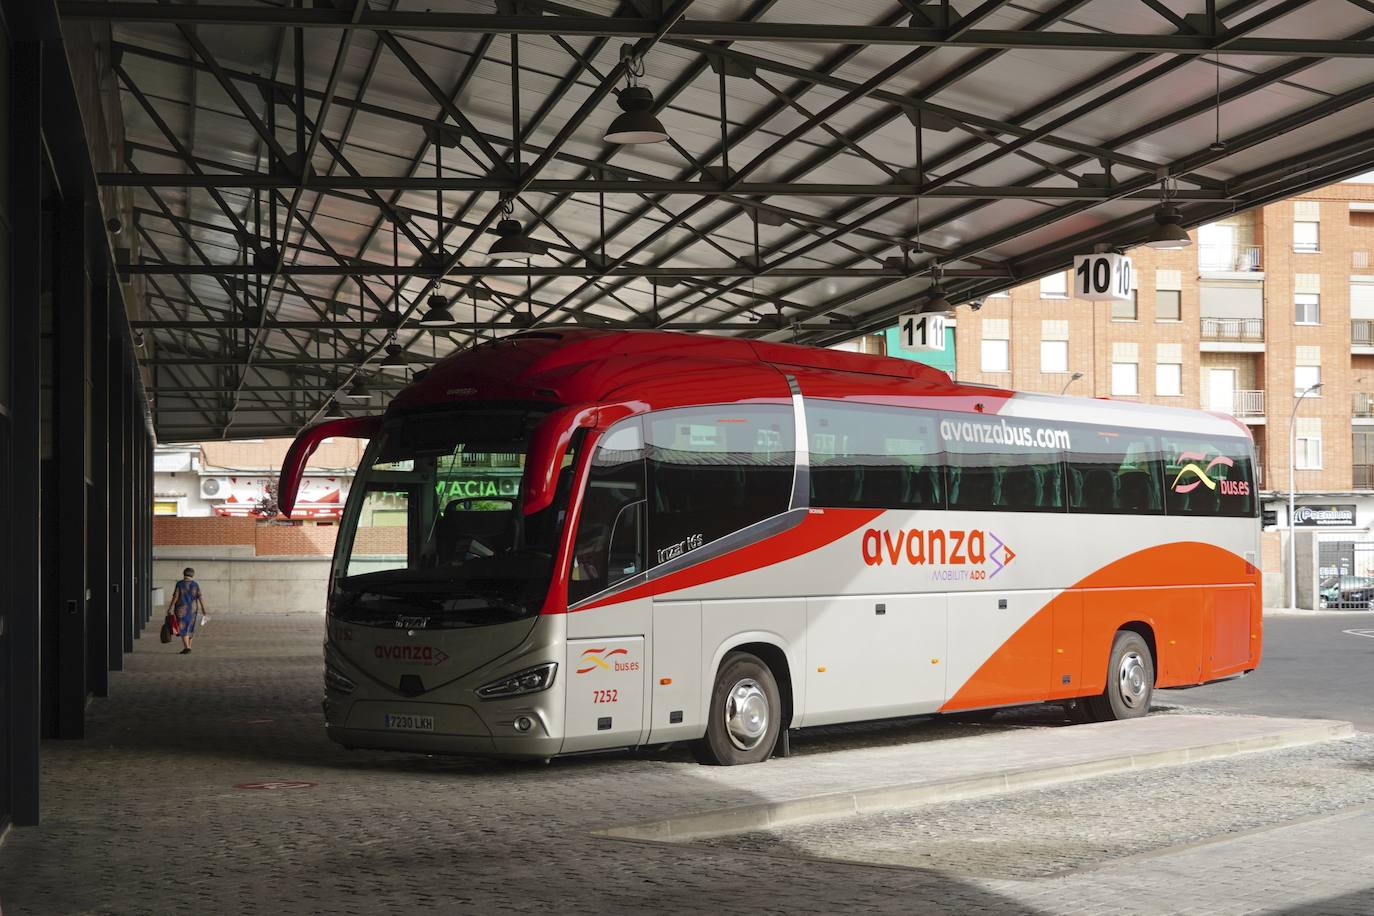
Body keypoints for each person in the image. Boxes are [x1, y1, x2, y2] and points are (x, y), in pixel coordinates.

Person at [167, 567, 208, 655]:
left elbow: (176, 597)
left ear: (184, 574)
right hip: (193, 610)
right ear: (192, 575)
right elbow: (200, 597)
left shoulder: (180, 584)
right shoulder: (195, 584)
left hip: (181, 609)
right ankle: (189, 646)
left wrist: (170, 607)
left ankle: (187, 647)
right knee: (190, 627)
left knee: (182, 627)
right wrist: (204, 609)